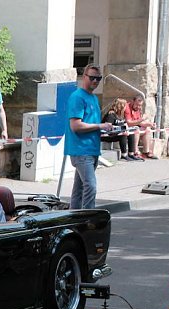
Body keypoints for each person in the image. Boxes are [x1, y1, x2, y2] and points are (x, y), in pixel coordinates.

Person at [65, 64, 113, 209]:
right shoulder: (77, 97)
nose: (95, 81)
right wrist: (100, 126)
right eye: (92, 77)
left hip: (92, 150)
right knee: (90, 186)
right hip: (81, 150)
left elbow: (91, 124)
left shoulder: (93, 98)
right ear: (84, 77)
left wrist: (106, 129)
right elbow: (76, 126)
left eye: (98, 78)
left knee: (78, 190)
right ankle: (87, 219)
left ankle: (74, 219)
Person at [125, 95, 159, 159]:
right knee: (136, 130)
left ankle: (146, 152)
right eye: (137, 105)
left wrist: (149, 124)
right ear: (132, 101)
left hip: (134, 127)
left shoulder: (138, 109)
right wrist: (142, 120)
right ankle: (135, 152)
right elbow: (129, 123)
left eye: (140, 105)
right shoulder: (127, 107)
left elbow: (139, 123)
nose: (138, 107)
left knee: (147, 129)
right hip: (127, 128)